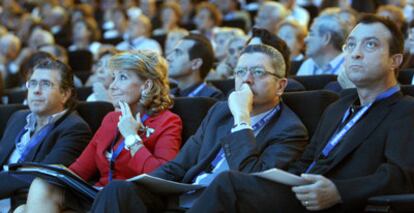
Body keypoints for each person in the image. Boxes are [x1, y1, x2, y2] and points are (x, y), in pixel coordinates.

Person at [187, 14, 414, 213]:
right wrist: (279, 178)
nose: (356, 54)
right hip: (300, 194)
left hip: (340, 203)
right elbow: (305, 162)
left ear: (395, 60)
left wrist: (339, 191)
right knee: (233, 182)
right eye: (351, 45)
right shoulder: (337, 107)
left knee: (229, 184)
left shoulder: (405, 109)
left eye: (370, 45)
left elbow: (399, 176)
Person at [90, 42, 309, 212]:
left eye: (258, 72)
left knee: (224, 184)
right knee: (118, 190)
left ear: (280, 85)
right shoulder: (220, 112)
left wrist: (242, 118)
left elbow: (249, 183)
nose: (247, 80)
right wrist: (142, 183)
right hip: (185, 197)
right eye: (240, 72)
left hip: (224, 203)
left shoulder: (290, 130)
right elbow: (178, 166)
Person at [14, 50, 183, 212]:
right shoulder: (111, 119)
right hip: (97, 194)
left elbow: (161, 177)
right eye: (114, 78)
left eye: (122, 78)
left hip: (135, 198)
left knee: (114, 189)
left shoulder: (168, 121)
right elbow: (79, 170)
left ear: (146, 85)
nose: (112, 85)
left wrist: (131, 137)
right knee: (42, 185)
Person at [0, 58, 92, 207]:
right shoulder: (18, 117)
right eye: (33, 83)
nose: (36, 90)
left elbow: (40, 178)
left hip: (26, 204)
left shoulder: (75, 129)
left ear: (65, 94)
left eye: (46, 84)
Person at [167, 34, 225, 99]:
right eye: (172, 52)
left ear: (196, 64)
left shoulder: (212, 97)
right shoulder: (168, 95)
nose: (168, 58)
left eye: (178, 53)